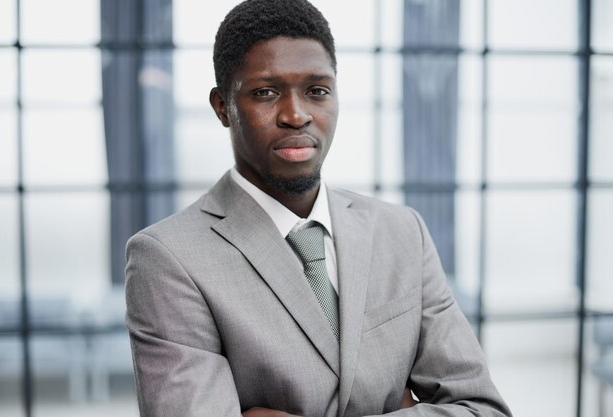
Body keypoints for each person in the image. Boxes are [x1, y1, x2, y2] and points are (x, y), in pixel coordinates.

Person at [124, 0, 512, 416]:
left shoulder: (402, 232)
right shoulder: (167, 259)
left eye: (317, 91)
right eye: (266, 92)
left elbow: (482, 409)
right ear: (223, 107)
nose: (296, 115)